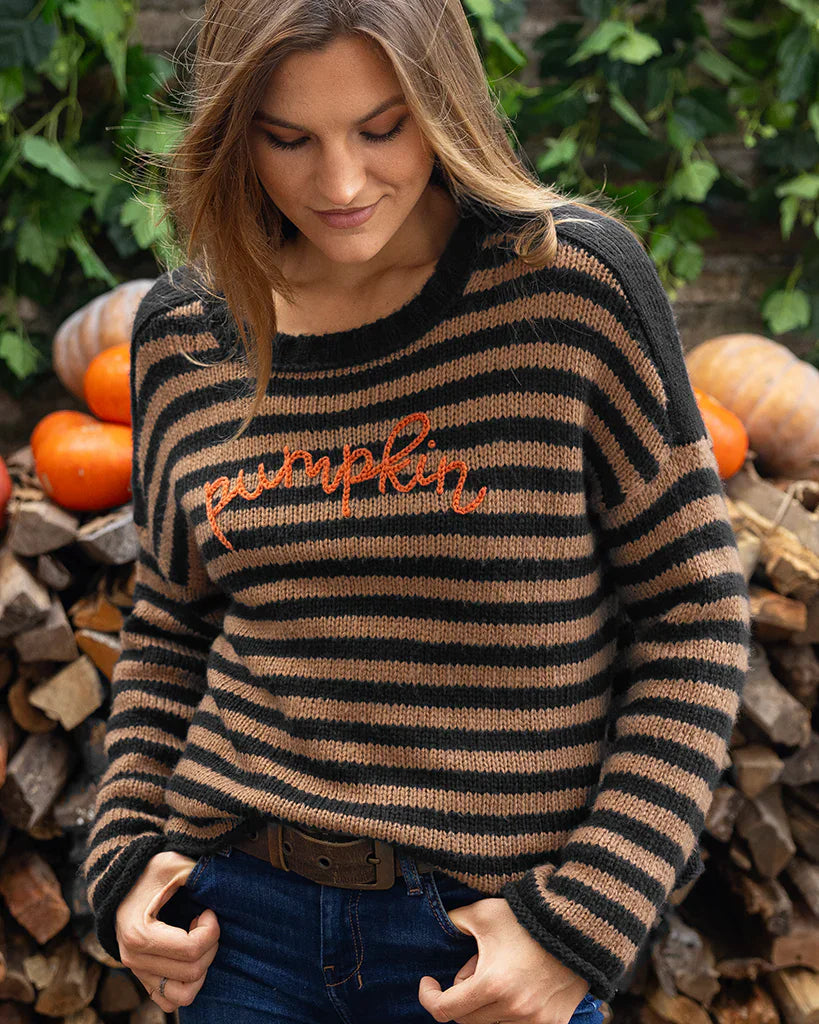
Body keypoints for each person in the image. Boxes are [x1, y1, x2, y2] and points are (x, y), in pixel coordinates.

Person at [82, 0, 752, 1022]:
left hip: (486, 945)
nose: (341, 184)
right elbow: (172, 619)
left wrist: (582, 921)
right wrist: (125, 853)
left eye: (381, 128)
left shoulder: (567, 290)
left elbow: (694, 615)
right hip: (237, 933)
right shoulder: (185, 332)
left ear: (445, 107)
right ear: (232, 135)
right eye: (288, 139)